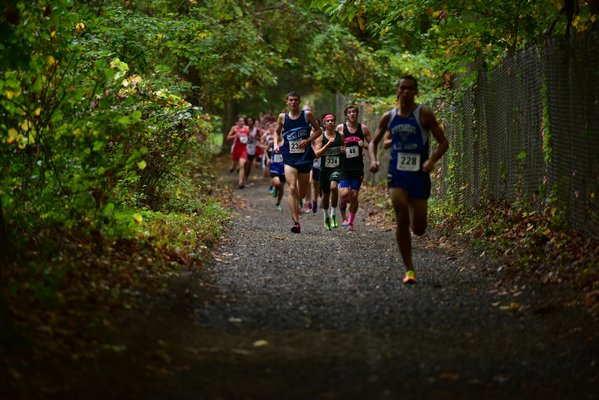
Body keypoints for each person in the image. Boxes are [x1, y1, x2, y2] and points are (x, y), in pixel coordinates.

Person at [368, 75, 449, 284]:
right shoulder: (389, 117)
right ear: (398, 90)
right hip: (397, 173)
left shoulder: (424, 114)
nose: (405, 92)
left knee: (419, 229)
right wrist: (374, 160)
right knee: (401, 216)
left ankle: (414, 218)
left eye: (410, 88)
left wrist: (431, 160)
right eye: (402, 88)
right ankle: (409, 269)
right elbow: (373, 142)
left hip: (419, 175)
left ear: (415, 91)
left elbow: (443, 142)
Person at [274, 91, 323, 233]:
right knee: (292, 188)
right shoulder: (282, 117)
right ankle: (296, 222)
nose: (293, 102)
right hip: (289, 157)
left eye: (296, 100)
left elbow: (319, 130)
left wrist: (308, 140)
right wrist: (277, 144)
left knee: (301, 194)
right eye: (291, 100)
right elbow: (277, 132)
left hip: (305, 158)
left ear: (299, 101)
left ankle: (299, 202)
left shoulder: (307, 115)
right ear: (287, 102)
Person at [336, 104, 372, 232]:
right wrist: (341, 149)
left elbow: (372, 145)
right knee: (345, 194)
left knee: (354, 195)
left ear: (357, 114)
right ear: (346, 115)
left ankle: (350, 222)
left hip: (357, 167)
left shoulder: (363, 129)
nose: (352, 114)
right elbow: (333, 144)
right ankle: (343, 217)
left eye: (354, 112)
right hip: (343, 166)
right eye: (349, 112)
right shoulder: (340, 128)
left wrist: (365, 145)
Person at [314, 113, 344, 230]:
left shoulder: (340, 135)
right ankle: (326, 216)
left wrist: (343, 150)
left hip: (337, 167)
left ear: (334, 123)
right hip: (324, 169)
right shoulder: (321, 137)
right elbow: (317, 154)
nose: (330, 122)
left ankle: (333, 214)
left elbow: (344, 148)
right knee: (326, 194)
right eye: (328, 121)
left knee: (333, 187)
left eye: (332, 120)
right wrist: (327, 144)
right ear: (324, 124)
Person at [226, 116, 249, 189]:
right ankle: (233, 168)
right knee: (234, 165)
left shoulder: (247, 128)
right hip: (235, 149)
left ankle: (240, 183)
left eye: (243, 121)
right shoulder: (234, 128)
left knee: (242, 165)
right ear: (237, 122)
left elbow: (249, 137)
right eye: (240, 121)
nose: (241, 122)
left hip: (243, 149)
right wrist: (235, 135)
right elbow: (228, 138)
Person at [265, 129, 285, 210]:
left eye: (281, 134)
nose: (279, 135)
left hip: (284, 168)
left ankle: (278, 203)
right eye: (277, 134)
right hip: (274, 166)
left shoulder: (286, 143)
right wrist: (268, 159)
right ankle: (276, 187)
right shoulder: (272, 143)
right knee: (277, 182)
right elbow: (266, 150)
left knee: (282, 188)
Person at [244, 116, 261, 183]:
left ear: (253, 122)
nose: (249, 122)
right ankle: (243, 177)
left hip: (252, 149)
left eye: (250, 121)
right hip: (245, 148)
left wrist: (255, 137)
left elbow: (260, 138)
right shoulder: (245, 129)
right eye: (248, 121)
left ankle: (246, 177)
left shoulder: (256, 130)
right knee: (244, 162)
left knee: (248, 164)